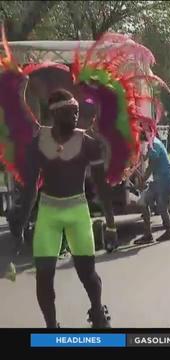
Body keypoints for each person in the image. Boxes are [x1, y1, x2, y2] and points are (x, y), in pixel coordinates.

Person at [16, 89, 116, 328]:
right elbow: (30, 188)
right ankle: (52, 327)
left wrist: (111, 224)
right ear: (55, 113)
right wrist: (21, 224)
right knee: (43, 278)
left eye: (77, 112)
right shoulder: (38, 143)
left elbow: (102, 187)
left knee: (88, 275)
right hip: (48, 214)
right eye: (70, 112)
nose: (75, 116)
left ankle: (97, 312)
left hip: (78, 212)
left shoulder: (88, 144)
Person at [134, 131, 170, 244]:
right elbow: (146, 157)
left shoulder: (154, 145)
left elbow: (151, 165)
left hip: (165, 181)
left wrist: (142, 180)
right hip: (162, 181)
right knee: (145, 201)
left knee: (160, 205)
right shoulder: (154, 143)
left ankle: (166, 232)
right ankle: (150, 234)